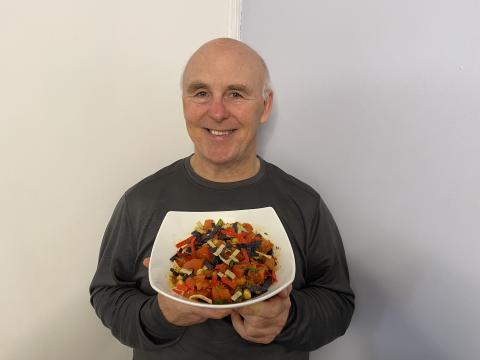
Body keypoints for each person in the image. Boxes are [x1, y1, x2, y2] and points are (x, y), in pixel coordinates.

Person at [89, 38, 354, 360]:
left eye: (236, 94)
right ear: (184, 102)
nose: (216, 112)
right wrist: (158, 317)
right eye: (201, 93)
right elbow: (107, 293)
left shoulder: (304, 204)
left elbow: (338, 302)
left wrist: (289, 318)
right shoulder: (140, 202)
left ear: (265, 106)